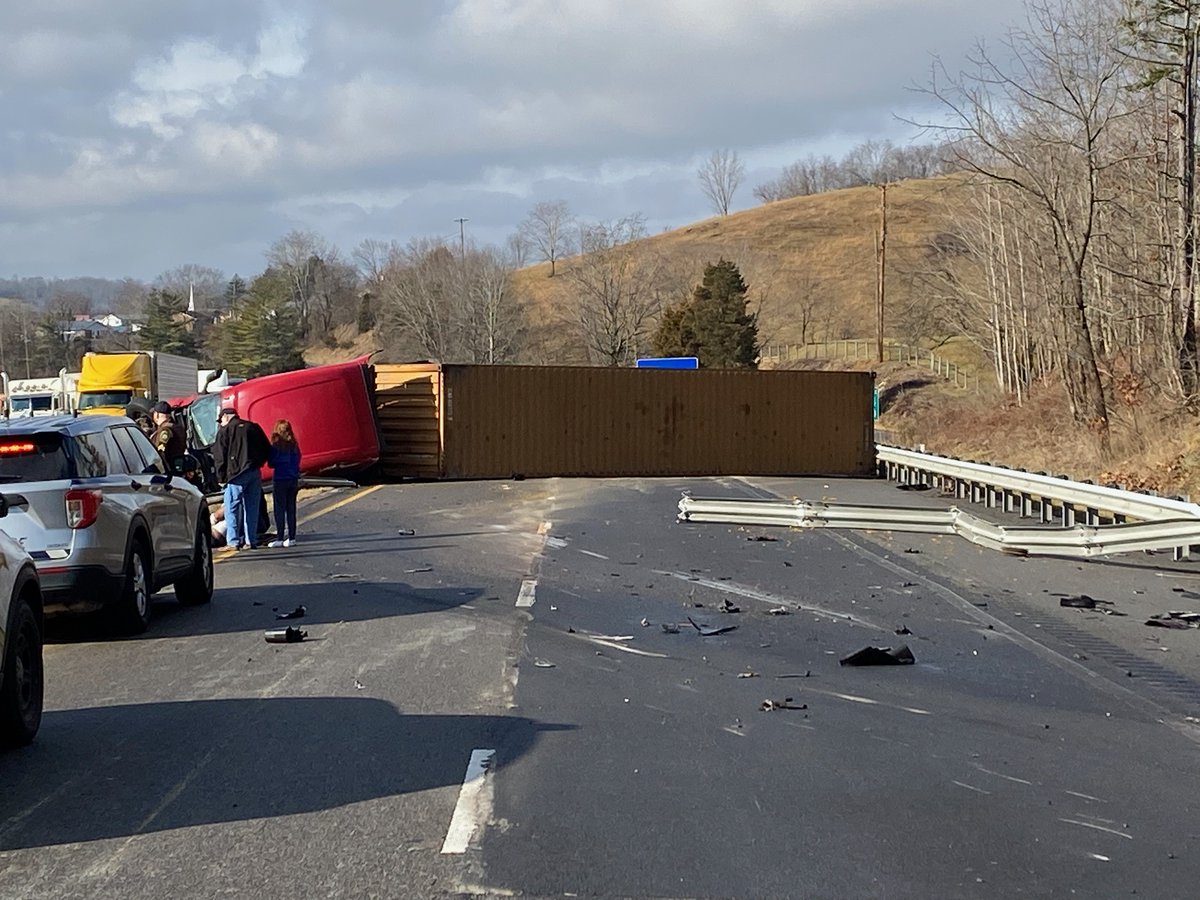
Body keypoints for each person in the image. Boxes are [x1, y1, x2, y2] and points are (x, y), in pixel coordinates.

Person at [212, 406, 270, 551]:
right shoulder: (253, 427)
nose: (220, 423)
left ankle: (233, 541)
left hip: (235, 475)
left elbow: (219, 456)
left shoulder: (225, 432)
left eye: (221, 420)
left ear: (225, 417)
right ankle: (251, 540)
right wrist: (258, 463)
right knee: (251, 507)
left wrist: (221, 477)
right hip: (254, 472)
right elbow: (266, 448)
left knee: (232, 507)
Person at [267, 419, 302, 548]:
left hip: (280, 479)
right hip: (293, 479)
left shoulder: (276, 446)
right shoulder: (294, 445)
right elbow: (298, 459)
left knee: (279, 509)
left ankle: (280, 537)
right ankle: (292, 537)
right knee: (291, 509)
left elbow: (271, 463)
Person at [150, 400, 187, 471]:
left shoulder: (165, 430)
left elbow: (160, 452)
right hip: (179, 467)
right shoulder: (178, 427)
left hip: (168, 470)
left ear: (157, 415)